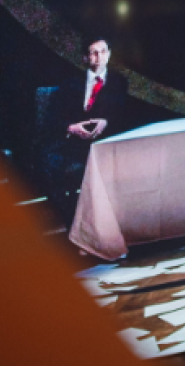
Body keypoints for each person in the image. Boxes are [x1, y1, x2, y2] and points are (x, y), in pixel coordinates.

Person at [46, 38, 129, 229]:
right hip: (75, 143)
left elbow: (123, 115)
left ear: (109, 54)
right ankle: (73, 222)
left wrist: (106, 122)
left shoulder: (119, 82)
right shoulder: (70, 83)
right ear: (85, 57)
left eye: (103, 51)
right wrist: (71, 127)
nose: (99, 57)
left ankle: (106, 221)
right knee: (51, 164)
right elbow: (53, 117)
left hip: (105, 142)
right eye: (93, 52)